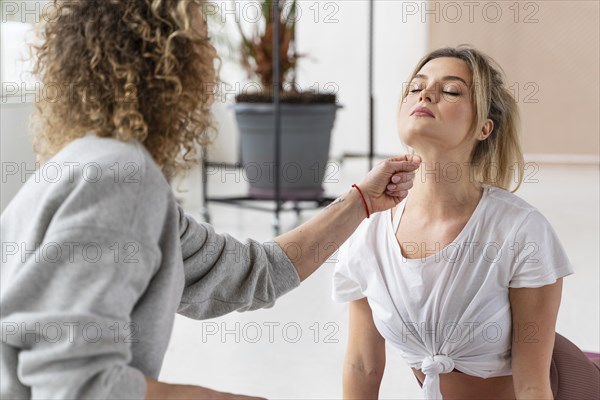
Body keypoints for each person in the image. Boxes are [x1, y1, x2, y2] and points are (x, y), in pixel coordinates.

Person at [0, 1, 422, 399]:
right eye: (201, 41)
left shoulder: (91, 163)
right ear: (165, 55)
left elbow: (249, 272)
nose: (210, 60)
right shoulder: (122, 178)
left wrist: (360, 202)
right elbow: (78, 387)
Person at [332, 45, 600, 400]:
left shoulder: (519, 231)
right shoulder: (369, 233)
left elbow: (533, 385)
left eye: (451, 90)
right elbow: (362, 365)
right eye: (416, 87)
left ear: (484, 128)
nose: (425, 94)